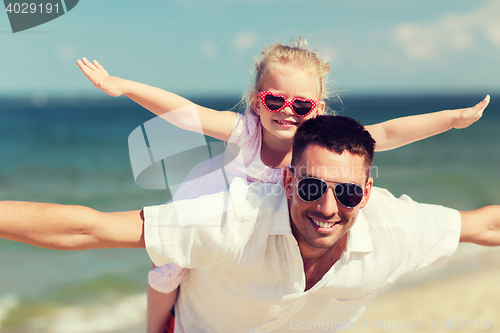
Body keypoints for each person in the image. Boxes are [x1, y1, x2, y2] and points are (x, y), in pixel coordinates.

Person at [77, 38, 490, 332]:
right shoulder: (246, 132)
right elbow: (187, 113)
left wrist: (451, 120)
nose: (287, 112)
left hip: (275, 233)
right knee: (166, 271)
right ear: (257, 100)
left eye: (302, 105)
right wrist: (124, 86)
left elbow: (390, 132)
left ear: (318, 109)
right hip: (226, 216)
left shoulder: (322, 143)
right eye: (275, 100)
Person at [1, 115, 499, 332]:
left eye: (347, 192)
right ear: (286, 183)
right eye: (311, 187)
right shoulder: (231, 220)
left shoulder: (396, 229)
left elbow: (482, 225)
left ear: (366, 194)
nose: (328, 207)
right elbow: (89, 229)